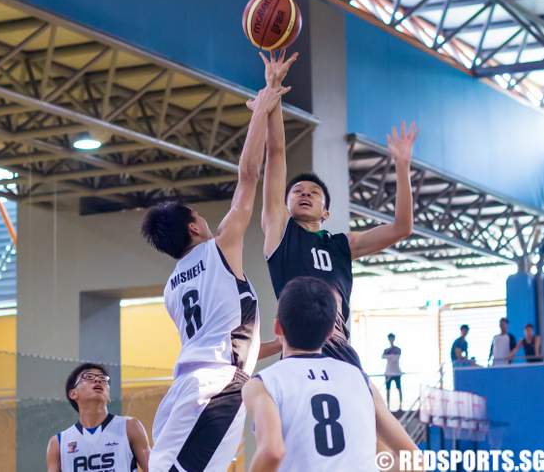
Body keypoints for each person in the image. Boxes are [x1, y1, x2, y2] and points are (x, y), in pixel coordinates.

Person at [257, 50, 418, 455]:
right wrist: (272, 93)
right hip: (300, 350)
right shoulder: (279, 233)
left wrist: (401, 166)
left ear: (326, 210)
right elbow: (276, 156)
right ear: (287, 203)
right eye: (297, 191)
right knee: (294, 445)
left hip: (341, 348)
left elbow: (402, 228)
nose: (305, 193)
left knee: (384, 446)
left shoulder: (341, 245)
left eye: (314, 192)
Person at [140, 79, 290, 471]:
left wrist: (281, 345)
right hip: (217, 388)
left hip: (185, 391)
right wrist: (262, 109)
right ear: (193, 226)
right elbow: (248, 176)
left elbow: (221, 338)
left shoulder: (171, 288)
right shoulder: (220, 247)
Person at [243, 277, 377, 472]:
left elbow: (271, 451)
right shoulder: (361, 380)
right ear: (331, 332)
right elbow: (411, 455)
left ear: (277, 327)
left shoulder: (263, 384)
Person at [46, 363, 150, 472]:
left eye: (103, 379)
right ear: (73, 394)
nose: (98, 380)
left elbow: (155, 468)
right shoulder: (58, 443)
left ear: (108, 394)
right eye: (89, 377)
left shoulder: (130, 427)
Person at [382, 333, 402, 411]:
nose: (391, 340)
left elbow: (396, 358)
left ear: (394, 339)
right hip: (388, 372)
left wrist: (389, 356)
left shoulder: (398, 349)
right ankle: (388, 406)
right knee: (388, 389)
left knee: (399, 388)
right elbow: (383, 357)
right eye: (389, 338)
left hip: (397, 372)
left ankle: (400, 406)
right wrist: (391, 356)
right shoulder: (386, 350)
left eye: (392, 338)